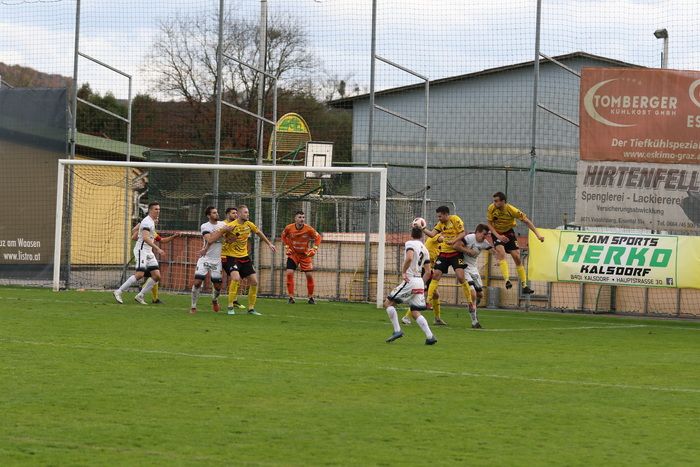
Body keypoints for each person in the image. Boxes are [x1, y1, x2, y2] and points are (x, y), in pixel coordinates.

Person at [420, 206, 475, 321]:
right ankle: (428, 301)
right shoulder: (440, 224)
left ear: (446, 214)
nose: (439, 218)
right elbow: (432, 234)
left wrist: (454, 241)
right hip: (444, 254)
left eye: (440, 216)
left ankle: (470, 302)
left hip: (455, 254)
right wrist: (422, 228)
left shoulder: (455, 219)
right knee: (435, 275)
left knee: (460, 277)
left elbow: (462, 233)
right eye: (438, 216)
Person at [385, 226, 437, 345]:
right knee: (415, 311)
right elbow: (428, 272)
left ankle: (397, 331)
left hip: (410, 280)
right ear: (422, 236)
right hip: (419, 281)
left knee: (388, 303)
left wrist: (404, 272)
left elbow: (409, 258)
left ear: (411, 234)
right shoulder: (425, 249)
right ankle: (430, 337)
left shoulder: (410, 243)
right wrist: (420, 283)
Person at [486, 192, 544, 295]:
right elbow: (489, 224)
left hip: (509, 232)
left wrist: (538, 235)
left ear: (503, 201)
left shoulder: (512, 210)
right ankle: (507, 280)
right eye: (493, 201)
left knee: (517, 256)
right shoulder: (491, 208)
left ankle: (524, 286)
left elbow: (527, 221)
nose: (494, 203)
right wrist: (498, 236)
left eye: (496, 201)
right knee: (501, 252)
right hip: (497, 233)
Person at [225, 204, 277, 316]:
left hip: (244, 257)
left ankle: (251, 309)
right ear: (239, 214)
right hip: (232, 257)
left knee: (254, 282)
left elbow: (259, 233)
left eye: (248, 212)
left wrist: (269, 244)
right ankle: (230, 306)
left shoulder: (249, 224)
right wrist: (228, 239)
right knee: (236, 278)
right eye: (245, 212)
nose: (247, 214)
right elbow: (222, 238)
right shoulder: (231, 226)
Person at [113, 202, 166, 305]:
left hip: (148, 251)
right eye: (156, 209)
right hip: (141, 250)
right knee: (140, 274)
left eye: (159, 209)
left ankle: (140, 295)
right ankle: (118, 291)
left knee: (156, 276)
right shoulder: (147, 222)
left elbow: (134, 231)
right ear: (150, 210)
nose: (158, 211)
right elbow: (145, 238)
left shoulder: (149, 222)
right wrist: (158, 249)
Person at [190, 206, 233, 314]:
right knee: (197, 282)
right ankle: (193, 306)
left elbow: (229, 239)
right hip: (205, 258)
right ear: (208, 215)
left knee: (218, 286)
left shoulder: (222, 224)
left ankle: (214, 300)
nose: (217, 214)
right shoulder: (205, 226)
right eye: (214, 213)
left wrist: (231, 236)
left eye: (217, 212)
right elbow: (210, 239)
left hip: (217, 260)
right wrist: (222, 231)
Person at [451, 224, 493, 328]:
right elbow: (455, 246)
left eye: (486, 235)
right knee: (472, 294)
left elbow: (493, 251)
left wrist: (499, 250)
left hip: (474, 269)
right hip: (464, 267)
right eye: (484, 234)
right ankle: (474, 321)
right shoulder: (469, 238)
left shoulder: (485, 243)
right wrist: (468, 250)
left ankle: (473, 308)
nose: (485, 237)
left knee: (480, 295)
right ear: (477, 232)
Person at [130, 220, 180, 304]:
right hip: (141, 256)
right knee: (153, 275)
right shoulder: (144, 229)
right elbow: (133, 236)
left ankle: (154, 298)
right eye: (155, 218)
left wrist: (173, 236)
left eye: (157, 218)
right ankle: (142, 291)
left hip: (148, 257)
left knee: (155, 276)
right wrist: (139, 227)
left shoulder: (153, 233)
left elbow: (162, 240)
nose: (157, 220)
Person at [402, 229, 443, 325]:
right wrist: (452, 237)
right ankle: (407, 317)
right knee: (420, 293)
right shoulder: (435, 237)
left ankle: (437, 319)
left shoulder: (438, 245)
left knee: (435, 294)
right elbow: (441, 238)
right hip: (425, 270)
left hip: (428, 269)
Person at [281, 211, 321, 304]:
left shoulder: (309, 229)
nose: (302, 219)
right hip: (293, 254)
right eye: (299, 217)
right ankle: (291, 297)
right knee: (289, 273)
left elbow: (318, 237)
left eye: (303, 217)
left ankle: (310, 298)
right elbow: (283, 236)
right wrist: (287, 247)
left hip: (305, 255)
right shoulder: (289, 228)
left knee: (309, 275)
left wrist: (314, 248)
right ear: (295, 219)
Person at [221, 207, 246, 312]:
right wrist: (227, 238)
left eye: (236, 213)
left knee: (236, 277)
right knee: (218, 278)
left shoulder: (238, 225)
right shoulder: (223, 224)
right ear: (227, 214)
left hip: (233, 255)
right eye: (233, 213)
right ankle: (216, 299)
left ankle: (234, 301)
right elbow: (221, 238)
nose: (235, 215)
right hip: (222, 255)